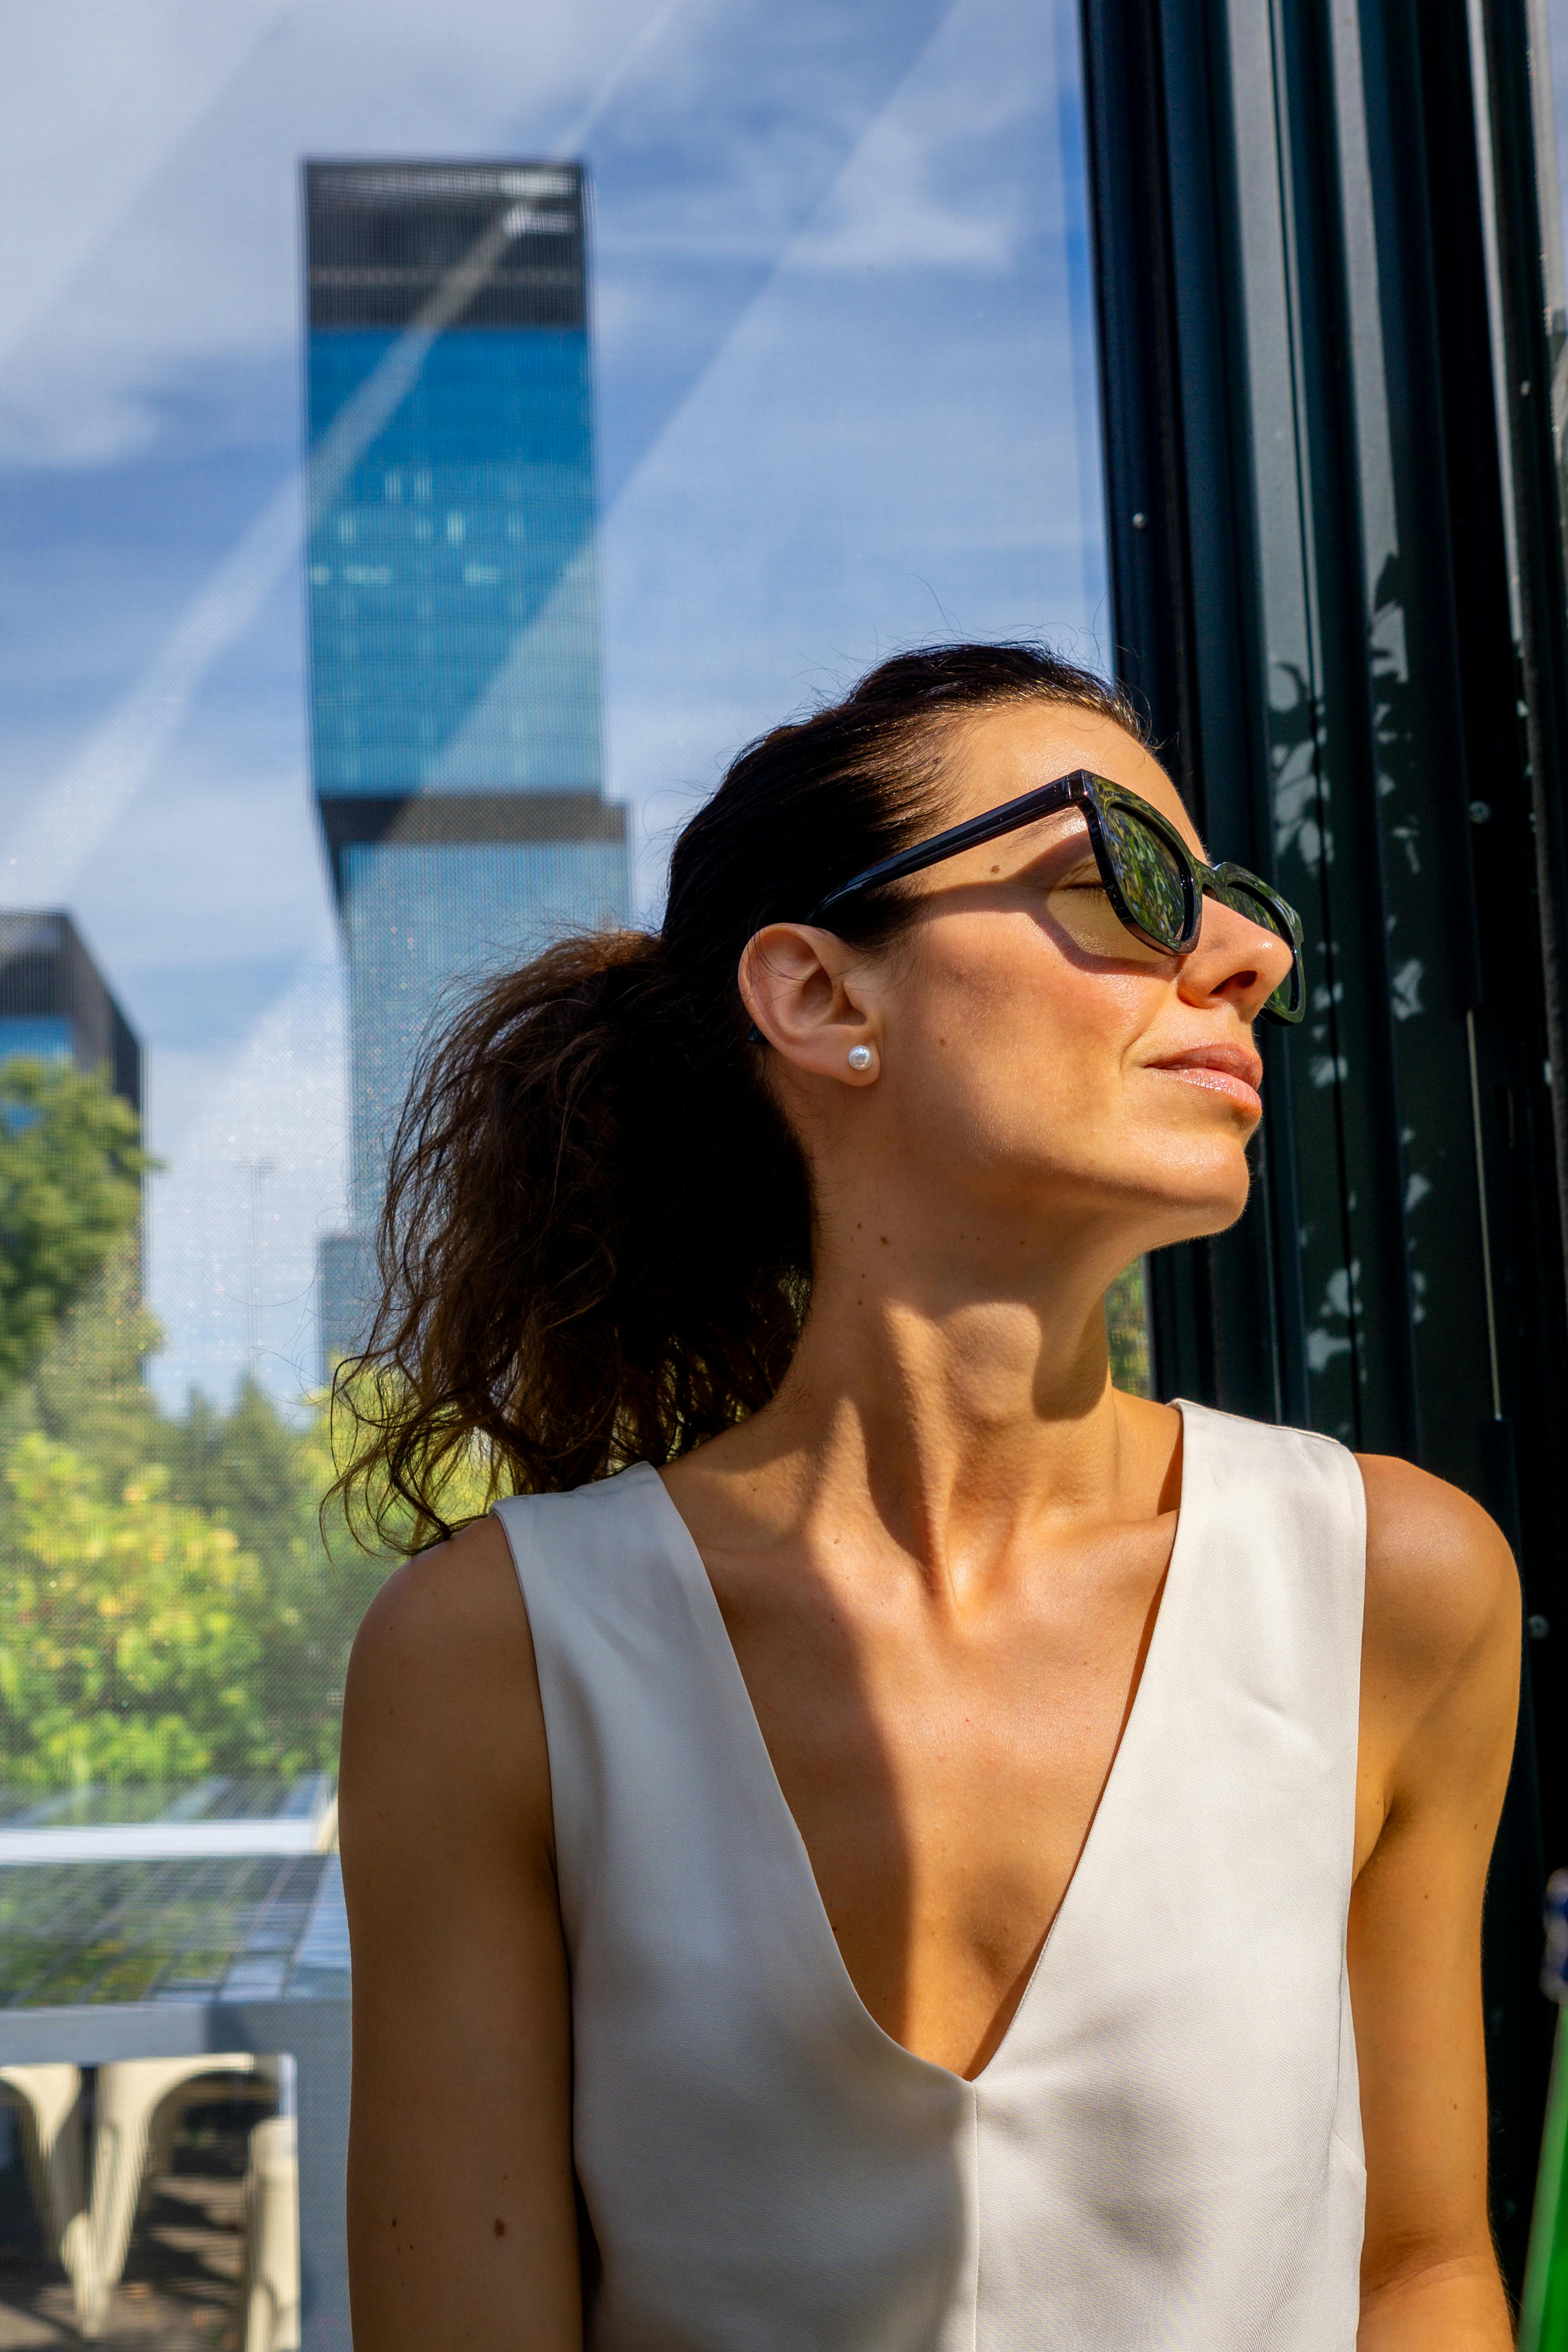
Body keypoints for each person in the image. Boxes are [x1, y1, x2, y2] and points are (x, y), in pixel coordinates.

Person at [337, 644, 1520, 2350]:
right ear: (824, 997)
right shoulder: (497, 1656)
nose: (1250, 956)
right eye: (1120, 876)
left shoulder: (1390, 1586)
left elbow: (1418, 2265)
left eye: (1234, 903)